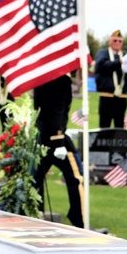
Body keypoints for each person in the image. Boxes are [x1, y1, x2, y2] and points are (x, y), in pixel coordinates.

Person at [33, 72, 84, 229]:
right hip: (57, 138)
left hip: (43, 136)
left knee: (35, 179)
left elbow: (39, 109)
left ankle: (32, 214)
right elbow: (56, 111)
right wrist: (59, 140)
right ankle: (79, 219)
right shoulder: (61, 80)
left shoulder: (40, 77)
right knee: (77, 178)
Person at [93, 30, 127, 128]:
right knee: (104, 126)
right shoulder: (103, 53)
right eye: (115, 40)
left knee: (119, 126)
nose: (117, 43)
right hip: (107, 96)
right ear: (109, 42)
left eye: (120, 41)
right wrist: (119, 62)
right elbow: (102, 65)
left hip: (122, 97)